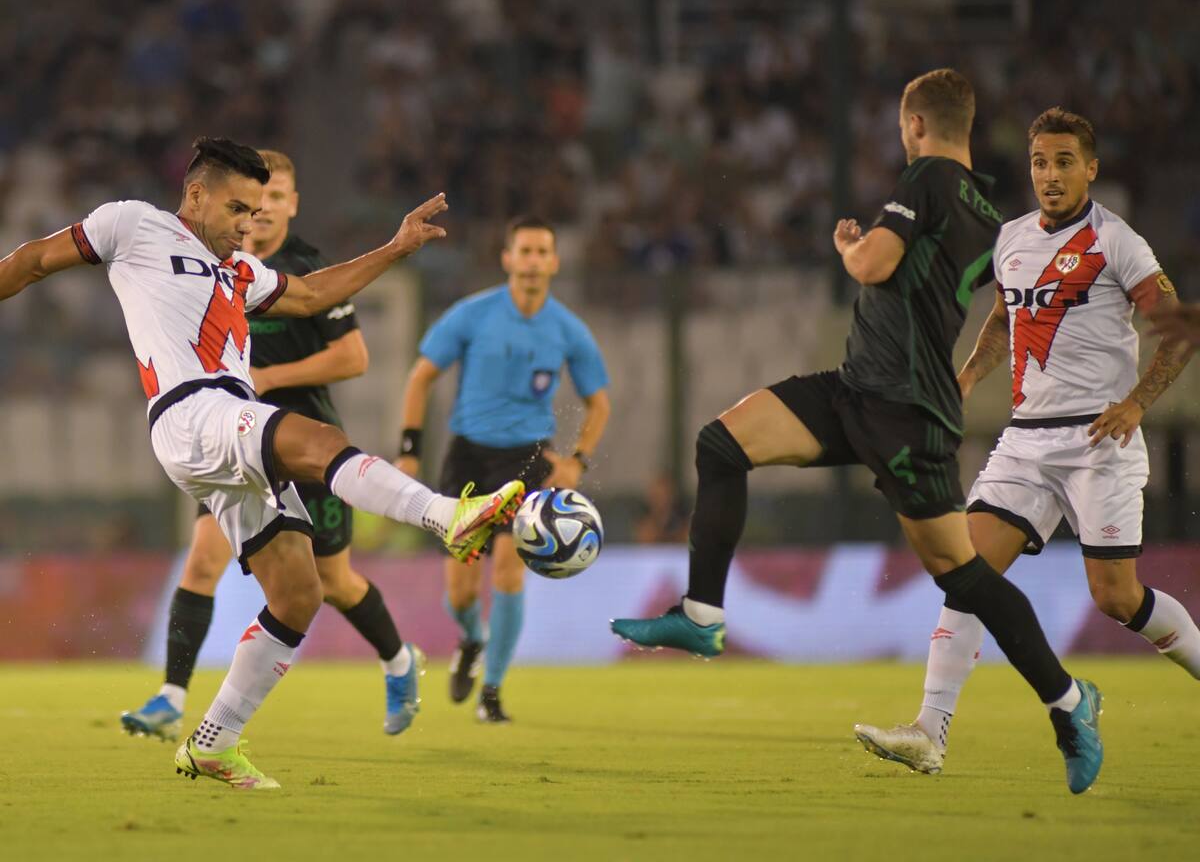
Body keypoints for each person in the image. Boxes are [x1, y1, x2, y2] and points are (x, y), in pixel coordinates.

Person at [610, 70, 1104, 794]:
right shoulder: (986, 211)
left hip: (904, 409)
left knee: (963, 574)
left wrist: (851, 245)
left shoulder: (930, 175)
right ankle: (702, 613)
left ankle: (1068, 706)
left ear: (914, 124)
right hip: (858, 389)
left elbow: (874, 263)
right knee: (722, 443)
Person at [0, 137, 525, 789]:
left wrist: (395, 249)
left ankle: (213, 741)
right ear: (197, 194)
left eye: (256, 211)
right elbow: (32, 260)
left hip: (224, 427)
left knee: (300, 592)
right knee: (318, 440)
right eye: (238, 209)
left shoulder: (238, 271)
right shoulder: (134, 224)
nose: (248, 224)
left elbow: (308, 296)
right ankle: (449, 516)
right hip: (192, 413)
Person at [853, 107, 1195, 775]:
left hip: (1100, 439)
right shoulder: (1011, 239)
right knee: (966, 572)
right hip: (1026, 441)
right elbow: (1007, 319)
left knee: (1117, 597)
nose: (1050, 175)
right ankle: (930, 731)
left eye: (1065, 161)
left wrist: (1135, 403)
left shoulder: (1117, 242)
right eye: (1040, 161)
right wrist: (968, 376)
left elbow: (1178, 329)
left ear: (1091, 169)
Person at [120, 149, 422, 742]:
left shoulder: (305, 267)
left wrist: (272, 381)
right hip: (231, 436)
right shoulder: (210, 258)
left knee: (332, 584)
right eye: (253, 204)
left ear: (291, 205)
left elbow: (353, 356)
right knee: (203, 559)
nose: (261, 214)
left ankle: (399, 659)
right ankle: (171, 696)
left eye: (275, 200)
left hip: (304, 437)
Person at [396, 216, 610, 722]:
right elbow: (420, 376)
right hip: (468, 459)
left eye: (542, 252)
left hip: (529, 460)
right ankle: (472, 638)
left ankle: (491, 692)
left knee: (511, 573)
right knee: (460, 592)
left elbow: (599, 403)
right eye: (525, 252)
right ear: (508, 259)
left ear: (554, 262)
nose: (533, 262)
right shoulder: (471, 316)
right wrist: (409, 449)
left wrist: (577, 461)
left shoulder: (567, 329)